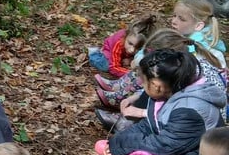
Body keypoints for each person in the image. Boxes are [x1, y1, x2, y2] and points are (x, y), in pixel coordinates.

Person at [95, 49, 225, 155]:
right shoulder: (168, 93)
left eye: (144, 82)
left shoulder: (189, 110)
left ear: (156, 85)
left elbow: (164, 146)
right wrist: (119, 141)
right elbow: (148, 125)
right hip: (176, 149)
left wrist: (121, 146)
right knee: (127, 148)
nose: (142, 86)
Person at [96, 0, 227, 107]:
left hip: (190, 98)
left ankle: (123, 102)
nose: (174, 21)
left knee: (153, 74)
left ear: (198, 25)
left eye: (181, 19)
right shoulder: (182, 39)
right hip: (183, 93)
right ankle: (118, 88)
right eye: (174, 16)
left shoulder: (204, 50)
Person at [95, 29, 227, 132]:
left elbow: (180, 112)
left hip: (197, 130)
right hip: (185, 120)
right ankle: (127, 122)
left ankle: (129, 125)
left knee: (154, 87)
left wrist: (141, 113)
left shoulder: (186, 75)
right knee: (152, 86)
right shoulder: (181, 65)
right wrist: (134, 98)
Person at [87, 13, 157, 77]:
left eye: (138, 48)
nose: (132, 50)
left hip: (125, 55)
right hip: (110, 52)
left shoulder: (146, 45)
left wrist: (131, 59)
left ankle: (124, 59)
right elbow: (113, 68)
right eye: (130, 43)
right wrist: (131, 74)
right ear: (126, 35)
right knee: (105, 66)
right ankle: (94, 54)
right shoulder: (118, 43)